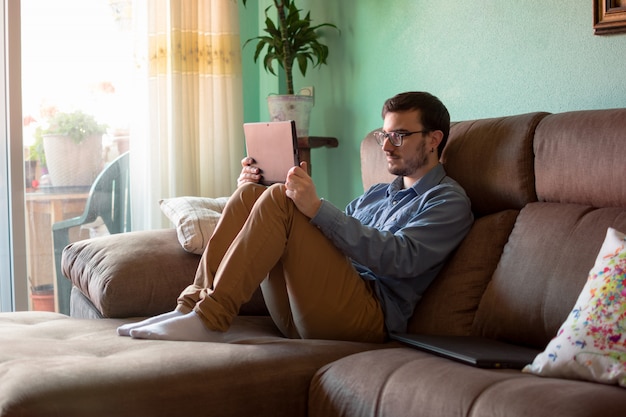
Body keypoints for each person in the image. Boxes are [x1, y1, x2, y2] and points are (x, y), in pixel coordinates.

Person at [118, 91, 473, 343]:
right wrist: (281, 192)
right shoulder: (377, 193)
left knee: (279, 198)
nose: (385, 146)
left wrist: (315, 207)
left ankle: (210, 321)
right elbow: (329, 242)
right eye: (384, 134)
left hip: (366, 318)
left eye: (399, 135)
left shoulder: (447, 200)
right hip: (305, 308)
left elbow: (401, 258)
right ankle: (191, 307)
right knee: (252, 192)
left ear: (433, 140)